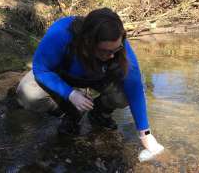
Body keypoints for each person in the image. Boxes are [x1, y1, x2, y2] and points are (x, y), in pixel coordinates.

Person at [16, 8, 164, 154]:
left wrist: (145, 134)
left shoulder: (119, 46)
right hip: (64, 77)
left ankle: (99, 113)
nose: (112, 56)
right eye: (105, 51)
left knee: (124, 95)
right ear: (87, 42)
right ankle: (71, 113)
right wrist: (70, 94)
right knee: (28, 93)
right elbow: (41, 69)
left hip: (98, 78)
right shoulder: (61, 34)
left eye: (115, 50)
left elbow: (135, 87)